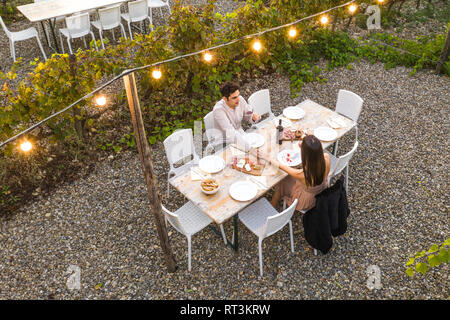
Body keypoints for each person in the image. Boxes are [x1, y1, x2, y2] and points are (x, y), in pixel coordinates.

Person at [266, 135, 331, 211]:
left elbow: (283, 167)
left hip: (306, 199)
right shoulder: (326, 157)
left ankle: (273, 204)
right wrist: (305, 147)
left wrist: (267, 158)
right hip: (321, 190)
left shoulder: (303, 174)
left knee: (281, 181)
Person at [210, 82, 261, 150]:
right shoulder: (218, 110)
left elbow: (248, 114)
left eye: (238, 95)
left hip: (239, 134)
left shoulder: (240, 99)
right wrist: (248, 147)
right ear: (225, 99)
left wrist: (253, 117)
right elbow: (230, 133)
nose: (238, 99)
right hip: (223, 142)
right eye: (234, 98)